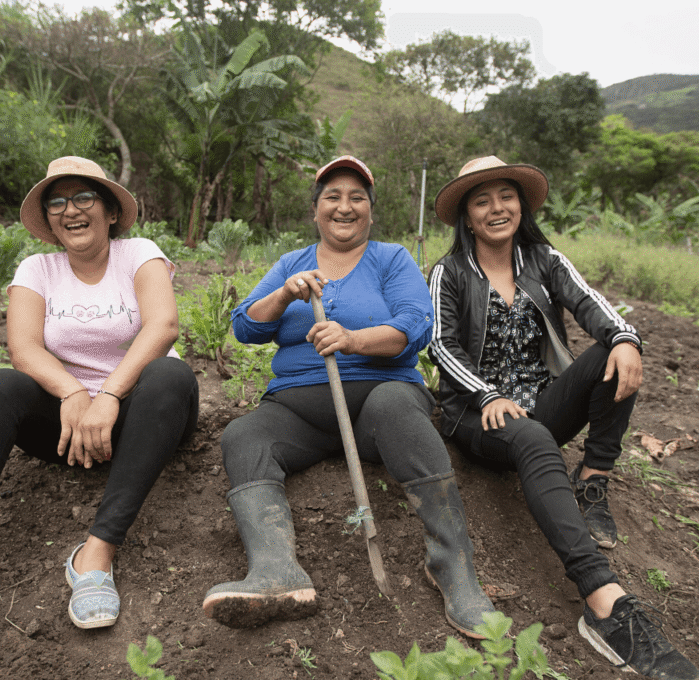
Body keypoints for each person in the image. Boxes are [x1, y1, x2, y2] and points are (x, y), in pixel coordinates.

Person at [0, 156, 199, 663]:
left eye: (84, 198)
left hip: (145, 419)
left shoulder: (140, 253)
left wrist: (109, 395)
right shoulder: (36, 269)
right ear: (48, 218)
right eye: (57, 202)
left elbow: (162, 328)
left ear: (111, 211)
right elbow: (24, 349)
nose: (71, 210)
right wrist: (74, 393)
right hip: (69, 427)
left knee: (170, 374)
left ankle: (95, 557)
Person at [427, 155, 699, 679]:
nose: (496, 208)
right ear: (467, 217)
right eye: (481, 201)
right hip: (476, 416)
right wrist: (486, 395)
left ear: (521, 205)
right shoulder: (451, 272)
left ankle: (593, 480)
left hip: (539, 404)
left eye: (505, 196)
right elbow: (440, 343)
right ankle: (603, 602)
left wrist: (625, 338)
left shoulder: (544, 259)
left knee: (612, 354)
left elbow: (592, 303)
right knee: (531, 437)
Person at [201, 155, 497, 639]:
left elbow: (415, 325)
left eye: (357, 197)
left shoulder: (391, 258)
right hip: (299, 410)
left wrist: (354, 340)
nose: (345, 207)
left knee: (395, 407)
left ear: (371, 211)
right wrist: (282, 296)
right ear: (315, 210)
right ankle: (278, 571)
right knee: (245, 434)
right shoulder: (290, 265)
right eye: (332, 197)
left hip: (382, 400)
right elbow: (245, 327)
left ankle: (454, 570)